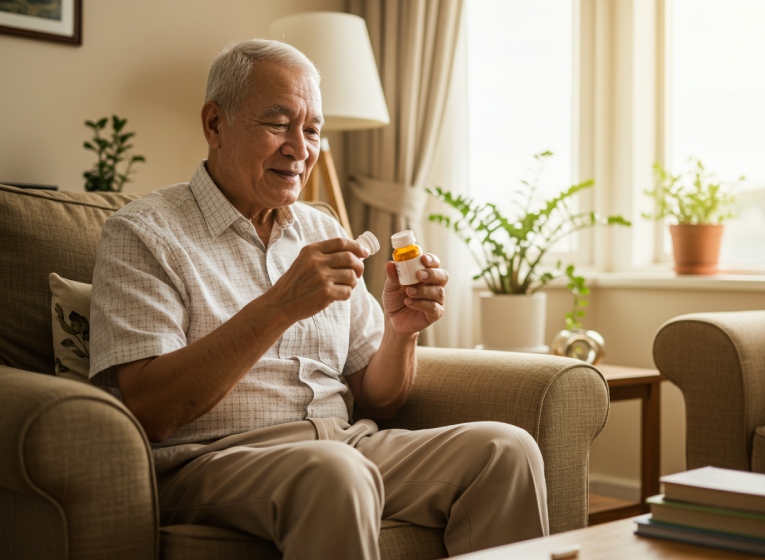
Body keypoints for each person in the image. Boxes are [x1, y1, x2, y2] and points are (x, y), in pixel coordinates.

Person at [89, 39, 548, 560]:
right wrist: (279, 306)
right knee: (335, 473)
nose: (300, 148)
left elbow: (378, 399)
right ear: (214, 124)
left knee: (505, 450)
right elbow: (151, 410)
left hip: (344, 443)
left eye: (311, 130)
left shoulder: (321, 227)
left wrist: (402, 330)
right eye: (278, 123)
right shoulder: (144, 232)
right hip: (211, 460)